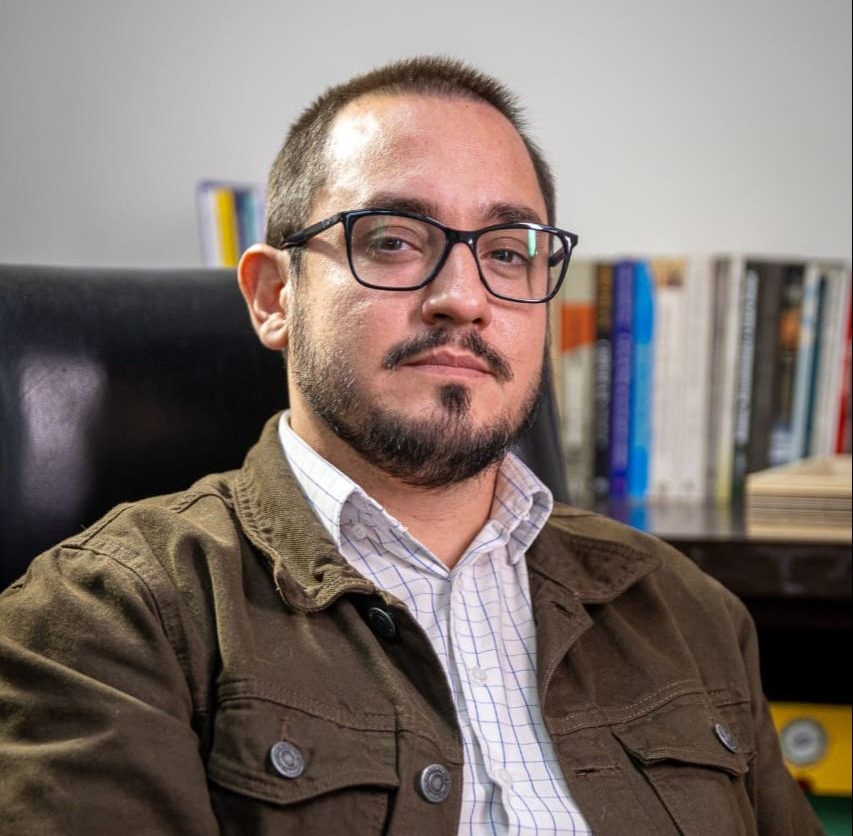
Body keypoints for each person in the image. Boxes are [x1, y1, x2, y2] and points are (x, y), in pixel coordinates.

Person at [0, 56, 821, 836]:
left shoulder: (685, 610)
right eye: (392, 239)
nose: (463, 297)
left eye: (507, 252)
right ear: (274, 296)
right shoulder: (108, 617)